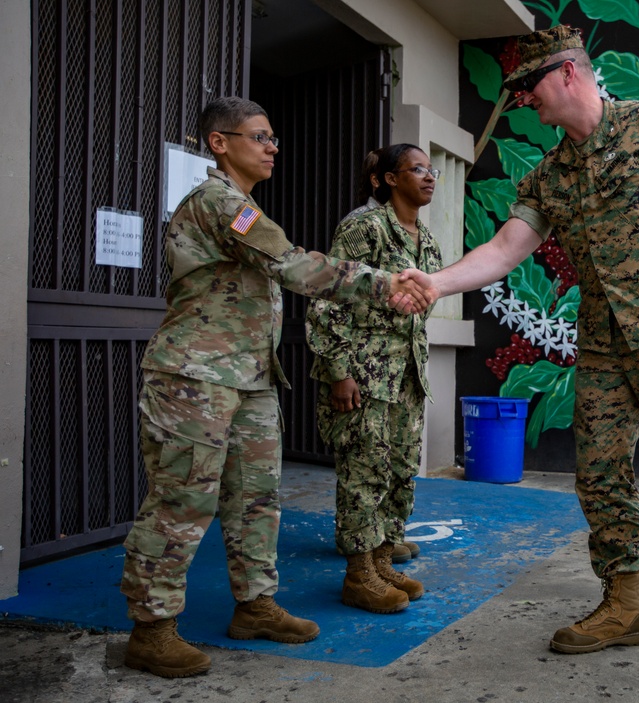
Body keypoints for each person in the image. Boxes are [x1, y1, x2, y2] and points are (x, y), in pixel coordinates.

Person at [411, 25, 639, 665]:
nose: (525, 98)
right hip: (604, 344)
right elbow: (502, 251)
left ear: (569, 74)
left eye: (531, 85)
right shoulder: (550, 174)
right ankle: (624, 603)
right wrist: (434, 283)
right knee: (599, 472)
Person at [119, 96, 433, 679]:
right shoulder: (219, 203)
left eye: (273, 138)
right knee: (182, 501)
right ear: (220, 142)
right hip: (197, 377)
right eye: (259, 137)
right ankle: (152, 628)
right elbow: (291, 265)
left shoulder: (240, 205)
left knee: (257, 499)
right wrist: (387, 282)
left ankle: (255, 606)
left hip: (251, 377)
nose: (272, 146)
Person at [306, 144, 442, 613]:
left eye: (432, 170)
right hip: (365, 372)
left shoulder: (426, 239)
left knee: (400, 469)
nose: (429, 177)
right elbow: (328, 299)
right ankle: (359, 574)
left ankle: (383, 560)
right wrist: (338, 372)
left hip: (406, 374)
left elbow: (426, 303)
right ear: (387, 179)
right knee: (364, 471)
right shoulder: (364, 227)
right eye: (417, 169)